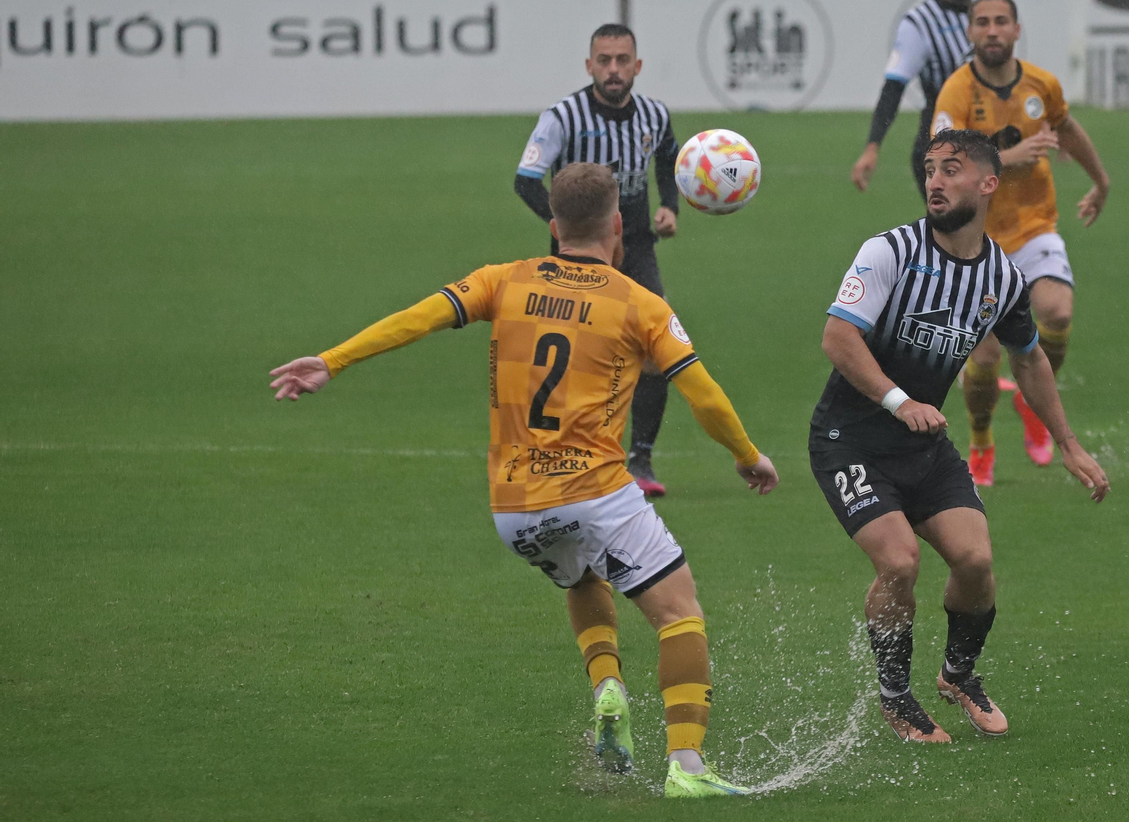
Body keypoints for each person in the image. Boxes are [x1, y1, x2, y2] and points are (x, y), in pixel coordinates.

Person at [270, 163, 777, 798]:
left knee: (582, 572)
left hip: (514, 509)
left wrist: (333, 361)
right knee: (679, 614)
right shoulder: (641, 304)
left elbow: (417, 317)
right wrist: (747, 455)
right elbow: (703, 396)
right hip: (595, 492)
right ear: (618, 226)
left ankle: (607, 686)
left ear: (553, 224)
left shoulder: (503, 281)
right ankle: (688, 768)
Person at [811, 129, 1110, 743]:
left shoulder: (1000, 274)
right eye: (929, 170)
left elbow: (1028, 360)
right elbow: (839, 339)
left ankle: (958, 674)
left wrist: (1070, 443)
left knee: (975, 562)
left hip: (922, 445)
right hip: (850, 440)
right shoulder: (889, 251)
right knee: (899, 560)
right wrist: (899, 401)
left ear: (987, 183)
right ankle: (897, 697)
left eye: (951, 169)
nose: (936, 181)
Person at [931, 0, 1111, 486]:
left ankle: (1035, 404)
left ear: (1015, 29)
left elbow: (1067, 128)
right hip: (975, 242)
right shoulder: (956, 93)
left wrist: (1100, 181)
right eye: (982, 23)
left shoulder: (1041, 84)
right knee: (985, 359)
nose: (992, 30)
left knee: (1057, 311)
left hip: (1034, 226)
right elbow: (943, 164)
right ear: (970, 33)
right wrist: (1009, 157)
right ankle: (982, 437)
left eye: (1001, 22)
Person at [514, 22, 681, 497]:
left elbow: (669, 159)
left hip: (636, 245)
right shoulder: (561, 116)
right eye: (604, 61)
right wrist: (570, 224)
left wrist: (670, 203)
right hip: (577, 251)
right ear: (589, 66)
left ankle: (640, 459)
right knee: (574, 353)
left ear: (637, 66)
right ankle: (560, 454)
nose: (613, 70)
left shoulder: (654, 115)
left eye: (622, 60)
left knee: (657, 348)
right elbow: (526, 179)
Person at [851, 0, 984, 196]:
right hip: (939, 146)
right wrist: (872, 147)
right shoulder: (920, 22)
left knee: (995, 232)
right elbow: (894, 87)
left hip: (987, 143)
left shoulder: (988, 17)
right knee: (955, 234)